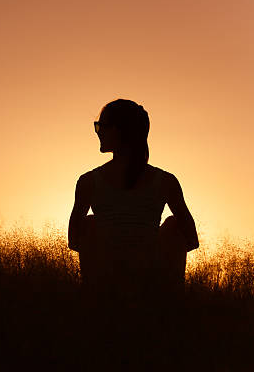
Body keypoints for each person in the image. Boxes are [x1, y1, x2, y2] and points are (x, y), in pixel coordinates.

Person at [68, 99, 199, 308]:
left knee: (89, 223)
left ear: (119, 131)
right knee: (174, 224)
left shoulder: (88, 182)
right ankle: (168, 305)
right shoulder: (166, 181)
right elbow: (191, 239)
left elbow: (74, 239)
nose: (98, 132)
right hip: (148, 275)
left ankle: (99, 302)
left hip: (113, 276)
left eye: (101, 126)